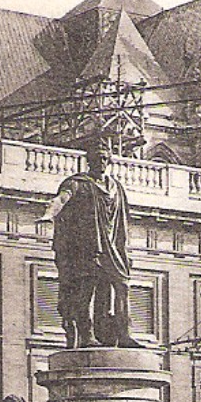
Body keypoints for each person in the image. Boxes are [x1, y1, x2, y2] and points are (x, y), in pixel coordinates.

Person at [41, 142, 135, 348]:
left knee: (122, 285)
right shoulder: (78, 183)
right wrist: (49, 214)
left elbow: (123, 220)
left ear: (109, 160)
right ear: (88, 160)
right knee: (87, 289)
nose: (101, 161)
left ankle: (124, 333)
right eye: (97, 157)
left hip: (112, 247)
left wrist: (124, 248)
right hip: (87, 247)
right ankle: (87, 334)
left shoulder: (116, 187)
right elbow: (61, 200)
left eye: (104, 158)